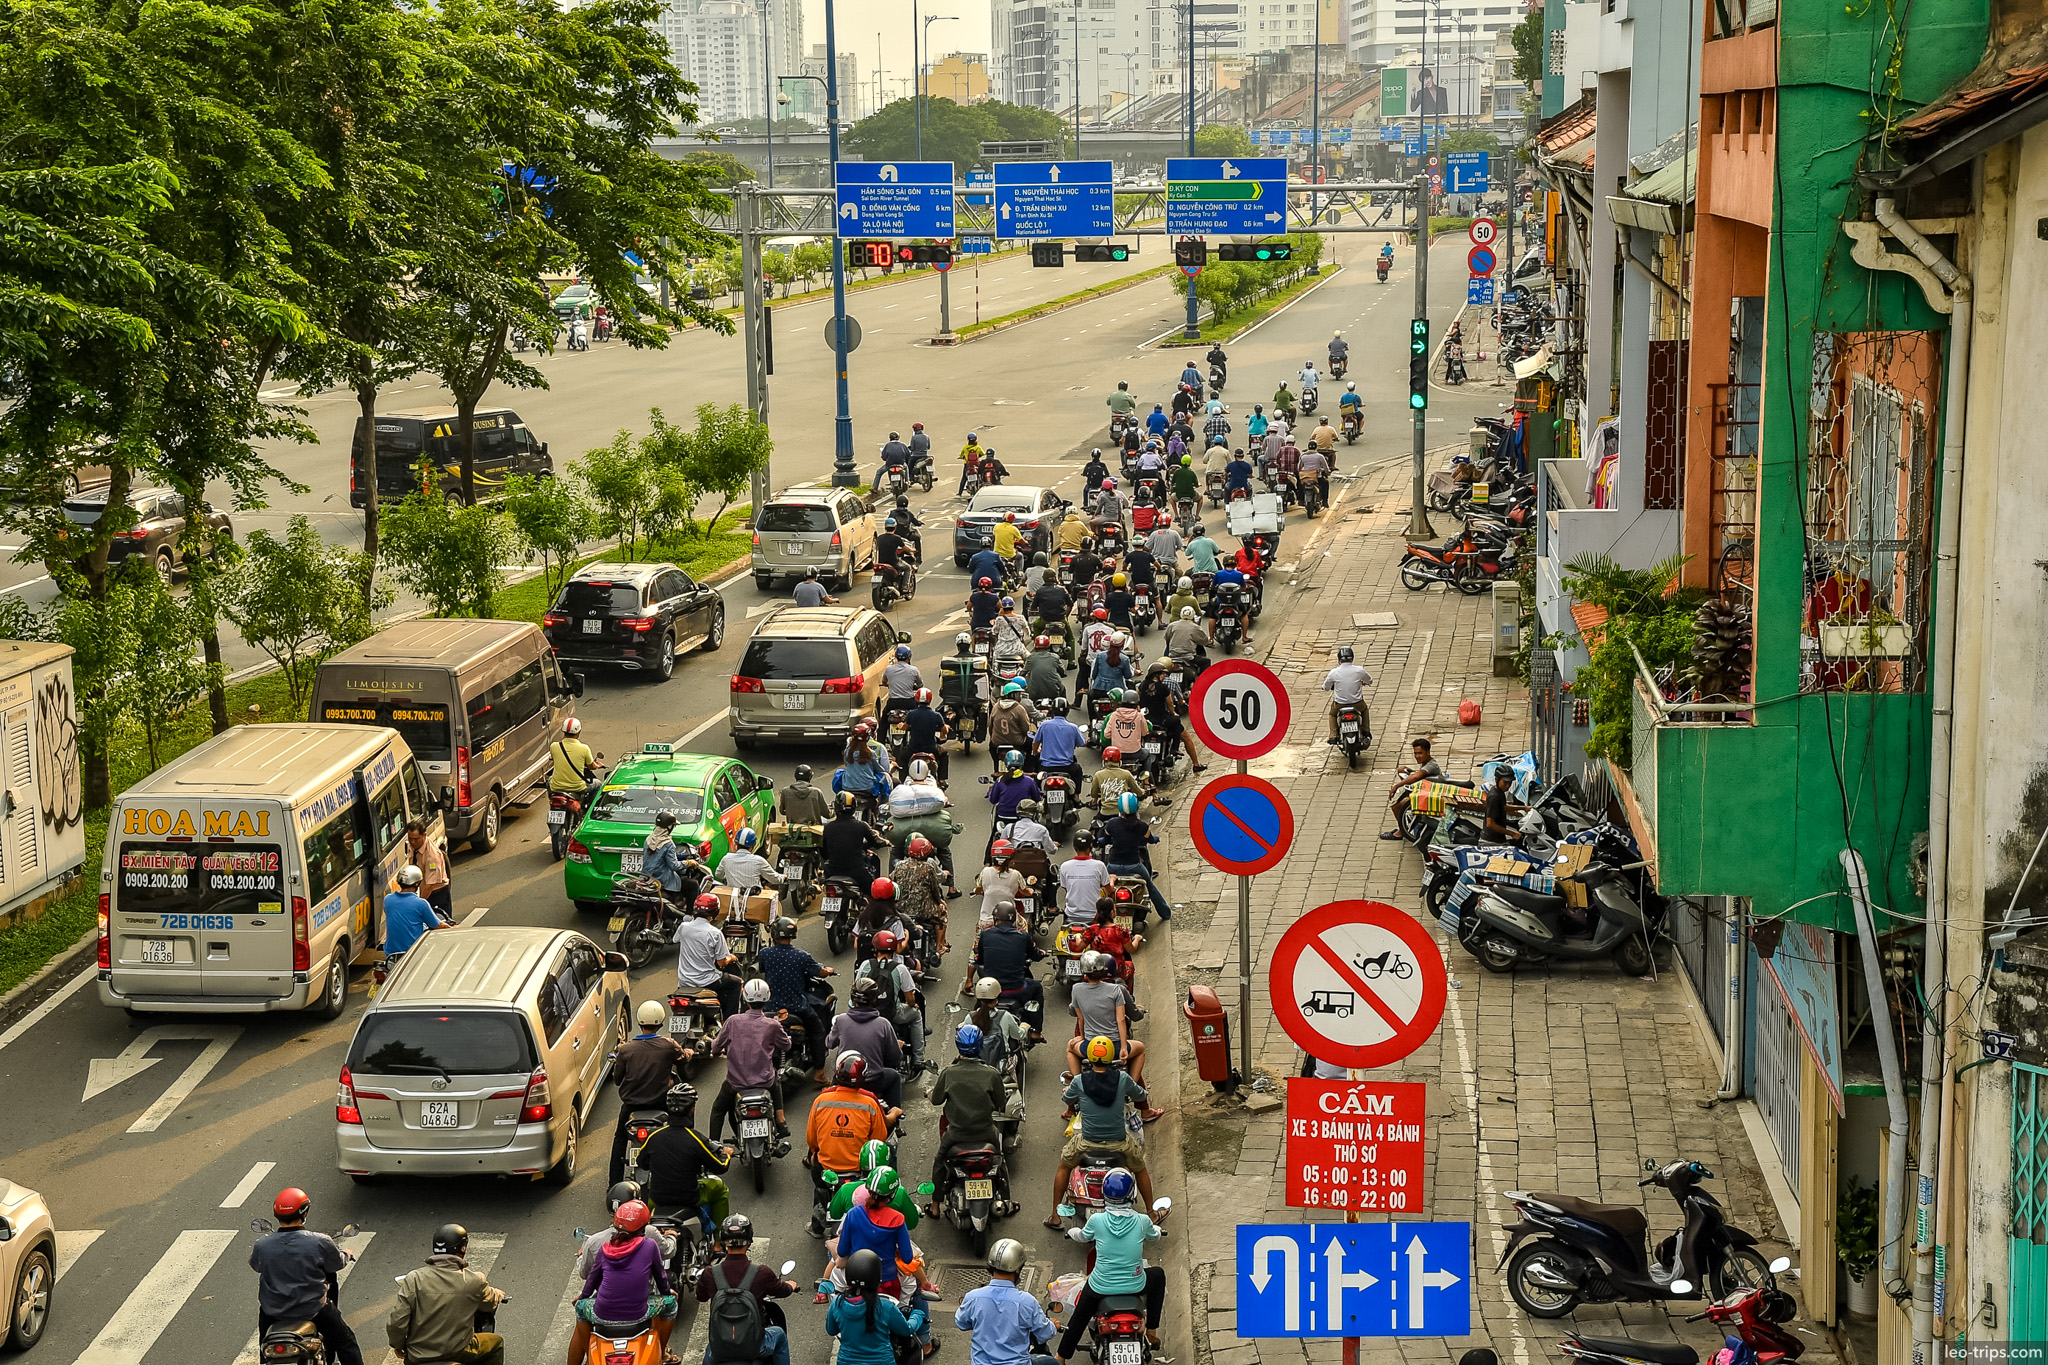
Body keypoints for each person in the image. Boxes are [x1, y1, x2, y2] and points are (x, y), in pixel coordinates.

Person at [1054, 1169, 1168, 1361]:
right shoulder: (1142, 1221)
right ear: (1131, 1194)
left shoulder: (1097, 1220)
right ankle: (1152, 1332)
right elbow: (1155, 1236)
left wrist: (1072, 1231)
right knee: (1158, 1275)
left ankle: (1061, 1357)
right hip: (1135, 1284)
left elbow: (1082, 1236)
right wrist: (1156, 1229)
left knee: (1080, 1317)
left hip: (1101, 1286)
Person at [250, 1188, 365, 1365]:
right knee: (346, 1342)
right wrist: (347, 1253)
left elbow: (256, 1265)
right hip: (313, 1310)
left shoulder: (262, 1245)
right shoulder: (320, 1241)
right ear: (304, 1212)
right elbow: (336, 1263)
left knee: (265, 1348)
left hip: (272, 1311)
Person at [1047, 1042, 1154, 1228]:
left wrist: (1069, 1093)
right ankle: (1151, 1212)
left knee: (1064, 1166)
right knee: (1140, 1168)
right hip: (1119, 1143)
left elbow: (1067, 1099)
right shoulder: (1122, 1078)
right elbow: (1139, 1095)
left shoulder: (1079, 1081)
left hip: (1087, 1142)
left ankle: (1055, 1215)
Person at [571, 1200, 678, 1362]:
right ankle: (662, 1352)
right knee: (671, 1306)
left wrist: (583, 1297)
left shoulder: (604, 1247)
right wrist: (667, 1293)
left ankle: (589, 1355)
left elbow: (591, 1281)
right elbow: (661, 1278)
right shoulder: (649, 1245)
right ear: (643, 1228)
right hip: (638, 1315)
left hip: (601, 1315)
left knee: (580, 1309)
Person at [837, 1173, 931, 1354]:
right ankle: (924, 1340)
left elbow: (841, 1251)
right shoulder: (897, 1219)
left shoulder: (853, 1214)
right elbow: (907, 1257)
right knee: (916, 1293)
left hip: (856, 1280)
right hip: (888, 1283)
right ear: (892, 1195)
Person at [807, 1053, 900, 1235]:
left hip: (827, 1167)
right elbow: (878, 1141)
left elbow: (812, 1138)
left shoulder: (820, 1101)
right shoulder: (870, 1103)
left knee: (819, 1188)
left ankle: (817, 1227)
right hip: (859, 1169)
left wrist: (814, 1153)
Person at [387, 1224, 505, 1365]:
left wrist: (398, 1346)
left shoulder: (414, 1278)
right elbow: (489, 1302)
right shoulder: (474, 1281)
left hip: (417, 1356)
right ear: (463, 1248)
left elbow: (397, 1321)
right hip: (459, 1352)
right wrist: (499, 1294)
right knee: (496, 1343)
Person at [927, 1023, 1012, 1212]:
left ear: (958, 1046)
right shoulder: (991, 1074)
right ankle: (1007, 1201)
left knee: (940, 1162)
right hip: (986, 1132)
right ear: (981, 1045)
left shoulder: (949, 1073)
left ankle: (934, 1205)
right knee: (1000, 1160)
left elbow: (936, 1100)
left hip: (956, 1134)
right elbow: (1000, 1103)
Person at [696, 1214, 798, 1365]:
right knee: (779, 1335)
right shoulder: (762, 1273)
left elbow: (701, 1296)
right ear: (749, 1241)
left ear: (724, 1242)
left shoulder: (710, 1273)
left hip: (721, 1348)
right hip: (755, 1347)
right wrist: (791, 1285)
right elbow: (782, 1290)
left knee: (709, 1351)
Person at [609, 999, 692, 1185]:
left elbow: (617, 1080)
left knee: (620, 1140)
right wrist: (689, 1052)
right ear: (661, 1022)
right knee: (681, 1129)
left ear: (639, 1022)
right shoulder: (668, 1045)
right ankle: (684, 1174)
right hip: (661, 1103)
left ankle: (614, 1184)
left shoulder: (626, 1049)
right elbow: (683, 1060)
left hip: (631, 1106)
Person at [707, 979, 793, 1144]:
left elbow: (716, 1046)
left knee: (718, 1110)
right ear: (766, 999)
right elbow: (787, 1045)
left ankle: (714, 1146)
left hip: (736, 1083)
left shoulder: (732, 1021)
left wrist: (713, 1047)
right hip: (765, 1081)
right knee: (776, 1082)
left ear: (745, 999)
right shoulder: (772, 1025)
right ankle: (781, 1122)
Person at [1064, 950, 1156, 1095]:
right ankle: (1131, 1088)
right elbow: (1120, 1020)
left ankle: (1077, 1085)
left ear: (1084, 972)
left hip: (1089, 1047)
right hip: (1115, 1047)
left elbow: (1080, 1018)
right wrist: (1124, 1047)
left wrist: (1082, 1037)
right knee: (1141, 1049)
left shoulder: (1076, 989)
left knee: (1070, 1048)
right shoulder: (1116, 989)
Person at [955, 1240, 1057, 1365]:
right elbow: (1045, 1333)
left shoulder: (972, 1297)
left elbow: (961, 1323)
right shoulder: (1027, 1302)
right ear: (1018, 1270)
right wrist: (1053, 1326)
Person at [759, 919, 835, 1078]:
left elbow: (763, 969)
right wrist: (828, 970)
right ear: (792, 935)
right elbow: (819, 972)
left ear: (774, 935)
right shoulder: (802, 956)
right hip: (796, 1007)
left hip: (770, 1007)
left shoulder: (765, 954)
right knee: (818, 1031)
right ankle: (819, 1072)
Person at [826, 1249, 922, 1364]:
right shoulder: (885, 1306)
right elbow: (906, 1330)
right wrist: (918, 1315)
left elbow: (831, 1330)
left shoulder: (837, 1303)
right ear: (877, 1278)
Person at [963, 902, 1045, 1037]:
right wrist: (1041, 954)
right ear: (1014, 920)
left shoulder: (986, 935)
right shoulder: (1022, 936)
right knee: (1036, 987)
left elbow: (980, 960)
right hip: (1017, 990)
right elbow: (1035, 955)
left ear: (996, 919)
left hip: (991, 991)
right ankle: (1036, 1031)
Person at [825, 976, 908, 1109]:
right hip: (873, 1081)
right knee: (894, 1077)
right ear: (874, 999)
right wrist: (897, 1047)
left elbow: (829, 1043)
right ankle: (895, 1118)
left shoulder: (841, 1020)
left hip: (843, 1081)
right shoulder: (883, 1024)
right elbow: (894, 1058)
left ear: (853, 999)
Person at [856, 924, 929, 1073]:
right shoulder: (900, 968)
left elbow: (856, 988)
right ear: (894, 948)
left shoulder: (865, 965)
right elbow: (910, 998)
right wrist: (913, 1005)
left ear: (875, 947)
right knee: (916, 1015)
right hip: (893, 1013)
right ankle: (919, 1059)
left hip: (866, 1013)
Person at [1101, 792, 1172, 928]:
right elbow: (1150, 839)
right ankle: (1165, 913)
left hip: (1113, 866)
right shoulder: (1141, 826)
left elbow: (1105, 840)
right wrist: (1156, 839)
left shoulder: (1112, 824)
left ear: (1120, 807)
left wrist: (1101, 840)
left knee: (1103, 889)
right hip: (1134, 866)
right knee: (1149, 886)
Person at [677, 893, 743, 1021]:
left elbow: (676, 939)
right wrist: (731, 958)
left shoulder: (683, 927)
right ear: (715, 912)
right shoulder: (715, 933)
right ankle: (729, 1023)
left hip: (684, 981)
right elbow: (722, 962)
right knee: (736, 983)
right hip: (707, 982)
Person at [893, 836, 950, 954]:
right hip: (924, 910)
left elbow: (892, 881)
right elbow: (935, 889)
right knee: (942, 915)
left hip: (901, 908)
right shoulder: (928, 867)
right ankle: (940, 946)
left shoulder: (899, 865)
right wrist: (940, 902)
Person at [1380, 738, 1444, 840]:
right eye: (1415, 753)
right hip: (1423, 789)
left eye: (1420, 753)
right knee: (1402, 769)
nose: (1417, 756)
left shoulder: (1432, 765)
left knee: (1396, 806)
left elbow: (1416, 777)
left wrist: (1396, 786)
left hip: (1429, 795)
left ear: (1428, 752)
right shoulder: (1425, 763)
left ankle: (1402, 832)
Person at [381, 864, 447, 962]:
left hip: (391, 955)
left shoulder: (388, 900)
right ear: (417, 883)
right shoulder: (421, 904)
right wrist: (453, 928)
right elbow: (437, 925)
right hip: (413, 953)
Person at [823, 792, 890, 884]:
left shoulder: (828, 827)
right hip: (856, 872)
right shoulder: (861, 825)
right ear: (854, 808)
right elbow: (876, 842)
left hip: (832, 871)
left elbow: (824, 851)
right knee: (874, 890)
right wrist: (885, 842)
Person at [1056, 833, 1117, 931]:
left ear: (1074, 847)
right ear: (1091, 846)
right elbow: (1109, 890)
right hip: (1094, 916)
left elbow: (1066, 888)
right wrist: (1112, 880)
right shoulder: (1099, 866)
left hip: (1071, 914)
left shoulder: (1064, 866)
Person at [1079, 894, 1142, 987]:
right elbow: (1131, 949)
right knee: (1130, 965)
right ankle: (1128, 994)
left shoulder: (1092, 929)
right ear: (1112, 912)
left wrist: (1077, 937)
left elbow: (1080, 946)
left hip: (1096, 970)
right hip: (1118, 970)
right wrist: (1137, 939)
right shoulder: (1121, 930)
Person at [1321, 644, 1373, 746]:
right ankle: (1366, 730)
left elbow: (1326, 687)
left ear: (1339, 659)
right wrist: (1364, 682)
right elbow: (1370, 680)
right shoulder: (1359, 670)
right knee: (1364, 710)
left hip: (1339, 704)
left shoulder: (1334, 673)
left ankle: (1333, 735)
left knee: (1332, 714)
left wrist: (1326, 688)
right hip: (1357, 703)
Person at [402, 819, 452, 921]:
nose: (412, 842)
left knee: (438, 926)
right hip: (423, 890)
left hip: (437, 895)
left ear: (424, 835)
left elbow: (430, 886)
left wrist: (417, 904)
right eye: (410, 838)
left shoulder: (432, 856)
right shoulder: (413, 846)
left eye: (416, 839)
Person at [550, 715, 602, 804]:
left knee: (549, 780)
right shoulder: (584, 748)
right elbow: (591, 766)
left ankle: (552, 799)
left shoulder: (554, 746)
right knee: (598, 784)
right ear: (578, 732)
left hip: (556, 786)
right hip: (578, 787)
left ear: (563, 731)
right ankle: (590, 809)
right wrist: (598, 765)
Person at [1080, 755, 1140, 825]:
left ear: (1104, 762)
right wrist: (1144, 792)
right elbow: (1138, 792)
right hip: (1123, 812)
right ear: (1119, 762)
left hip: (1105, 813)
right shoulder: (1126, 774)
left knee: (1094, 827)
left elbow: (1093, 794)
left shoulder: (1098, 774)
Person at [882, 645, 924, 724]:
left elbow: (884, 681)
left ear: (896, 657)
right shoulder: (914, 670)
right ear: (908, 658)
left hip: (893, 702)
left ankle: (881, 736)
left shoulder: (889, 669)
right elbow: (920, 684)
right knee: (918, 720)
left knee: (884, 721)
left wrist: (888, 684)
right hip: (909, 702)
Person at [1022, 639, 1066, 709]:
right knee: (1063, 689)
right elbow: (1063, 672)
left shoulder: (1031, 658)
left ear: (1035, 647)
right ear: (1049, 646)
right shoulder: (1054, 657)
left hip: (1034, 693)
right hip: (1053, 691)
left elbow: (1023, 673)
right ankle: (1062, 711)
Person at [1483, 763, 1520, 844]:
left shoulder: (1500, 792)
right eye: (1505, 782)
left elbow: (1503, 807)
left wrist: (1524, 808)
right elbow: (1490, 824)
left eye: (1510, 783)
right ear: (1497, 780)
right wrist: (1512, 834)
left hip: (1499, 839)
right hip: (1491, 842)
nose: (1508, 786)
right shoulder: (1494, 796)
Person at [874, 431, 912, 495]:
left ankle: (875, 488)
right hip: (901, 463)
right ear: (898, 437)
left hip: (889, 465)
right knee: (906, 468)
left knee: (879, 472)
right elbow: (908, 454)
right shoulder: (902, 445)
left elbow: (884, 456)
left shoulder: (888, 445)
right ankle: (907, 481)